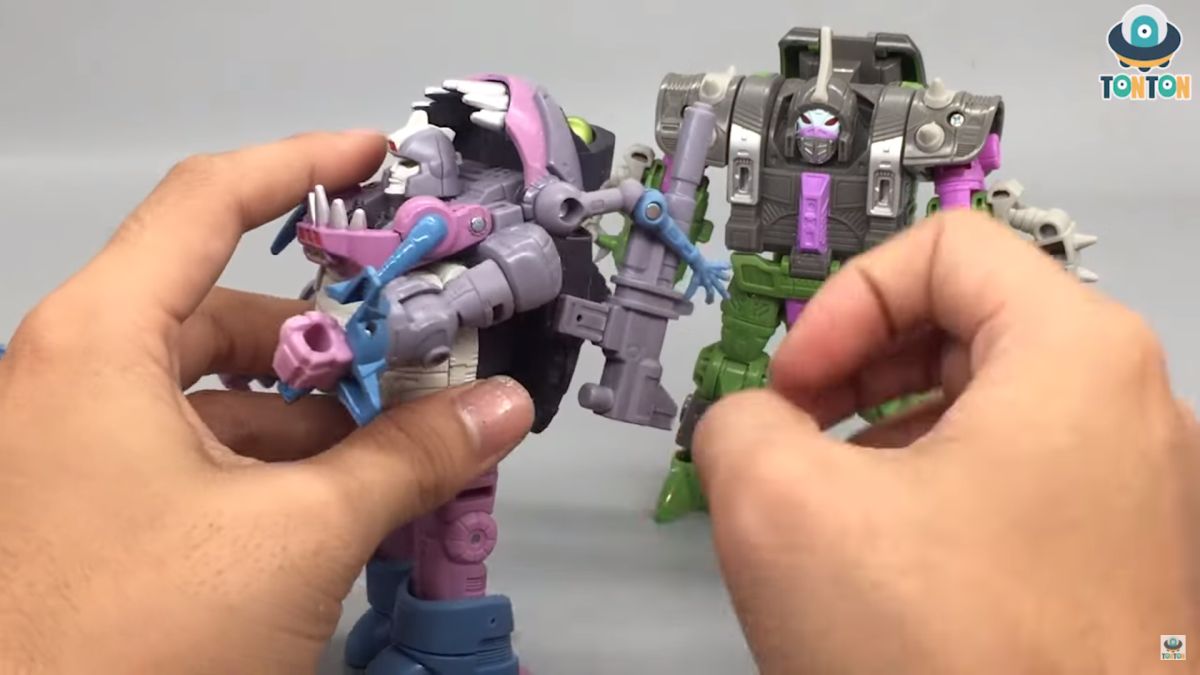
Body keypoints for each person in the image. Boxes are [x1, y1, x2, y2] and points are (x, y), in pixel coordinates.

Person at [0, 131, 1193, 674]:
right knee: (381, 534)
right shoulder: (411, 222)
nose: (426, 173)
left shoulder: (517, 244)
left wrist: (393, 309)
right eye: (424, 159)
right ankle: (395, 617)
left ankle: (455, 647)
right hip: (382, 408)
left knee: (452, 531)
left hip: (456, 418)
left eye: (451, 161)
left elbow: (474, 294)